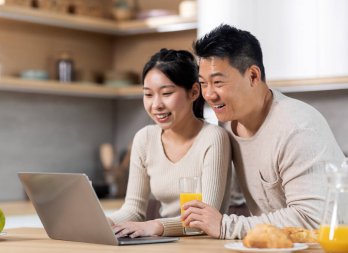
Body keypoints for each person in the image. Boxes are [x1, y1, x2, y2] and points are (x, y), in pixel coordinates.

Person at [181, 24, 345, 239]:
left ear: (253, 76)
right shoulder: (228, 125)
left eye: (218, 82)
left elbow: (312, 219)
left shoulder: (297, 126)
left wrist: (226, 225)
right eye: (203, 83)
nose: (209, 94)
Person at [108, 48, 231, 238]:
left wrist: (155, 226)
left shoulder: (213, 137)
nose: (156, 105)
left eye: (166, 93)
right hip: (166, 243)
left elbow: (204, 218)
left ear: (194, 92)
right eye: (148, 94)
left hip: (205, 244)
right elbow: (133, 209)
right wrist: (105, 222)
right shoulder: (144, 138)